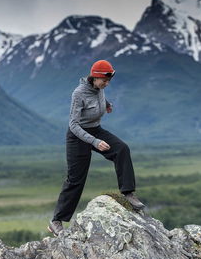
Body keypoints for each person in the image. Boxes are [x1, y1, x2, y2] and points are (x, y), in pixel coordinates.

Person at [48, 60, 145, 236]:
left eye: (109, 81)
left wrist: (106, 104)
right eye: (104, 81)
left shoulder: (99, 88)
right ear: (95, 77)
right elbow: (73, 124)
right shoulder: (78, 94)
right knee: (75, 179)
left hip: (95, 130)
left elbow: (96, 97)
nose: (106, 84)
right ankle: (56, 221)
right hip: (77, 136)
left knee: (122, 149)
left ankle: (128, 193)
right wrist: (94, 142)